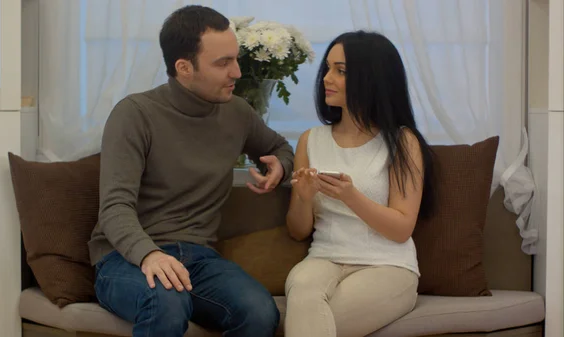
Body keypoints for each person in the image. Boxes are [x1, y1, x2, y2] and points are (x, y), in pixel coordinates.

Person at [87, 5, 294, 337]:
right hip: (126, 259)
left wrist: (280, 166)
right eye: (223, 63)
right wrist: (150, 255)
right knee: (166, 300)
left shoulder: (238, 113)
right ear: (184, 67)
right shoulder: (134, 114)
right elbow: (114, 208)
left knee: (259, 312)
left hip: (199, 259)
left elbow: (280, 148)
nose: (238, 73)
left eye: (235, 58)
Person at [284, 30, 436, 337]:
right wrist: (302, 198)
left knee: (313, 323)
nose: (326, 78)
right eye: (328, 68)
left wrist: (351, 196)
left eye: (340, 71)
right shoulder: (310, 141)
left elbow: (401, 228)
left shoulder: (402, 141)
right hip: (324, 258)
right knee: (302, 288)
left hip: (387, 266)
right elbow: (298, 230)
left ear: (372, 79)